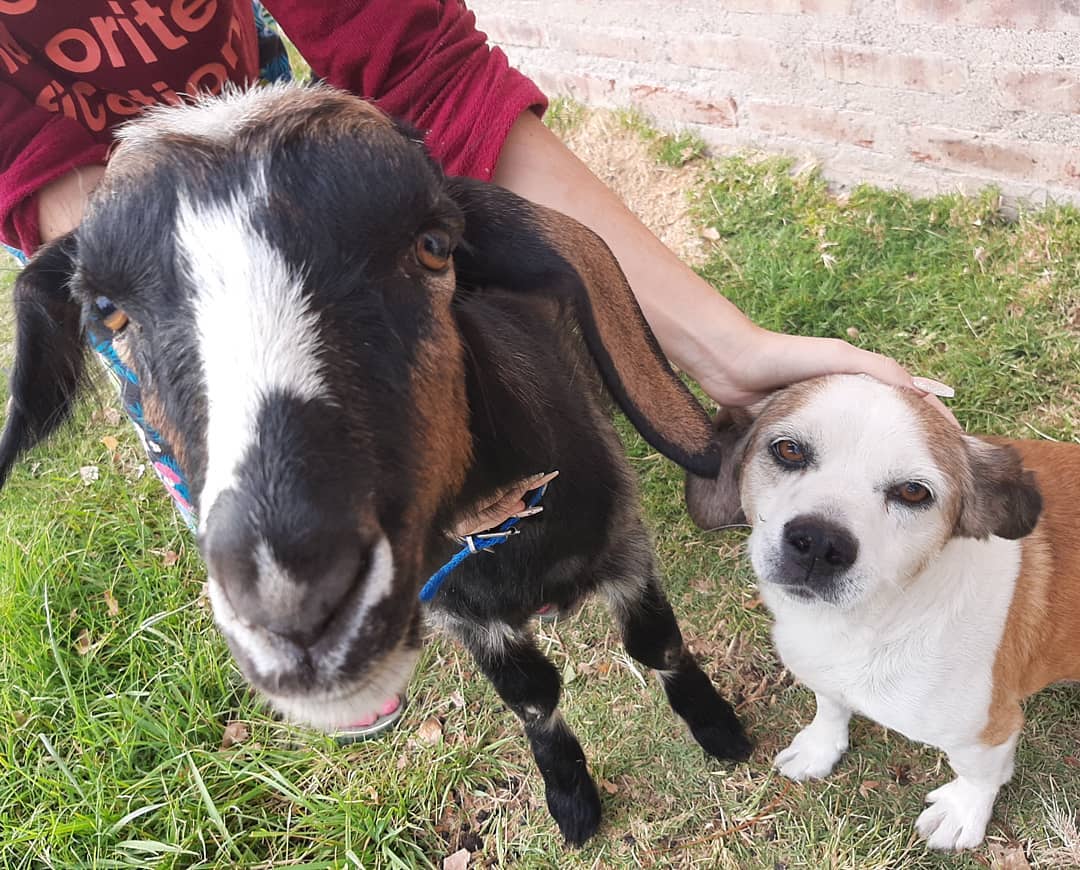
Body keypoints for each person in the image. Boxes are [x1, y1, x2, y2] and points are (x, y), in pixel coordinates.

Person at [1, 1, 949, 732]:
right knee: (316, 543)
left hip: (306, 174)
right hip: (128, 238)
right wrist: (133, 266)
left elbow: (421, 59)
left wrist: (726, 357)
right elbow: (24, 163)